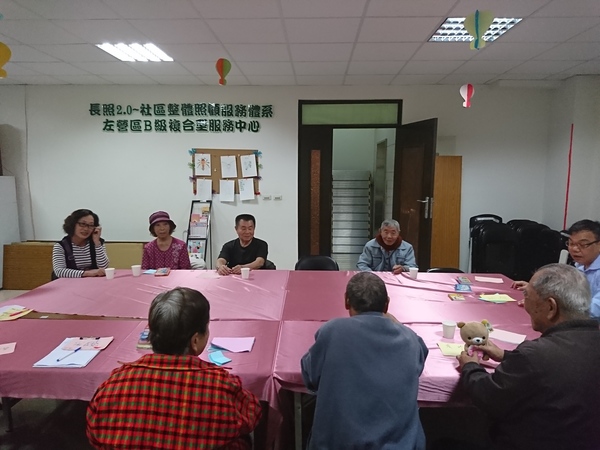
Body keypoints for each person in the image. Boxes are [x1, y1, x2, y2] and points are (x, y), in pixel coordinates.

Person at [87, 287, 262, 450]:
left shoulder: (113, 385)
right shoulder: (220, 385)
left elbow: (93, 433)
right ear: (195, 341)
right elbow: (252, 414)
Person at [458, 264, 600, 450]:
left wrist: (470, 366)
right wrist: (506, 356)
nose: (524, 304)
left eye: (527, 297)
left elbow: (487, 397)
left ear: (551, 307)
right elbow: (566, 365)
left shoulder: (534, 355)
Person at [301, 272, 428, 449]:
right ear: (387, 305)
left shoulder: (332, 331)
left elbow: (310, 378)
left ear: (346, 301)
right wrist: (397, 324)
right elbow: (421, 356)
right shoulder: (410, 339)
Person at [512, 219, 600, 318]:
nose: (575, 249)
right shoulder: (580, 266)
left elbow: (596, 309)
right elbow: (566, 292)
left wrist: (554, 306)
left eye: (583, 245)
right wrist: (538, 291)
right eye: (571, 243)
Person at [52, 208, 109, 278]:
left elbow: (103, 267)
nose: (86, 229)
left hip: (92, 282)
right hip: (69, 283)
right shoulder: (61, 246)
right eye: (83, 224)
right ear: (73, 224)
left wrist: (97, 243)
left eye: (91, 225)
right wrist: (87, 273)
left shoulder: (97, 242)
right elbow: (59, 271)